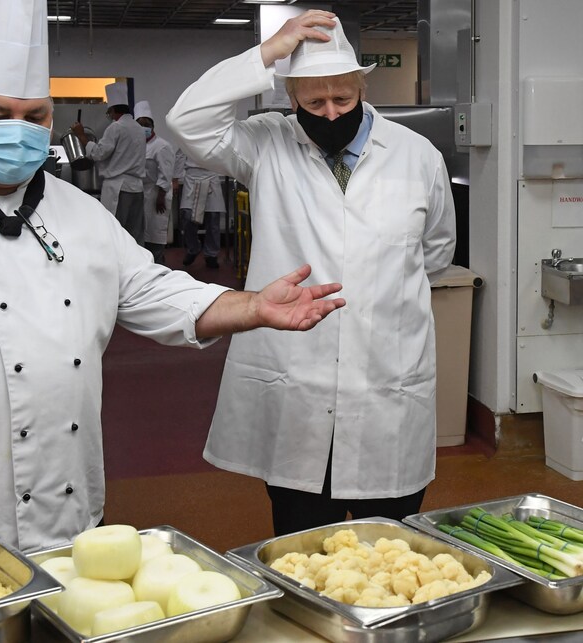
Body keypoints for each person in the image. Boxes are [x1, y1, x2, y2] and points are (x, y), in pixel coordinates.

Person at [0, 0, 345, 553]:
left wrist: (253, 306)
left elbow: (153, 290)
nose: (19, 130)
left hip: (64, 497)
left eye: (35, 117)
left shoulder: (80, 214)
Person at [167, 10, 456, 536]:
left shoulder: (418, 156)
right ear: (290, 98)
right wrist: (268, 51)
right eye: (312, 102)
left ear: (362, 89)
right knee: (303, 544)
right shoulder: (264, 144)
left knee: (392, 545)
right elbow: (187, 122)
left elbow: (435, 252)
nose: (328, 114)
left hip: (387, 384)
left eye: (342, 100)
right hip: (298, 385)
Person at [71, 83, 146, 245]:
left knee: (117, 231)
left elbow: (98, 153)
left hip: (119, 188)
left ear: (112, 110)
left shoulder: (116, 128)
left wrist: (81, 135)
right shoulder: (138, 128)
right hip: (137, 188)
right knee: (135, 233)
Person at [134, 100, 175, 264]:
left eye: (147, 124)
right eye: (140, 124)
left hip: (157, 195)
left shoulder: (162, 146)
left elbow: (165, 174)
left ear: (153, 126)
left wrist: (161, 196)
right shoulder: (137, 145)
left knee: (155, 235)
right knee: (144, 236)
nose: (144, 127)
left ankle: (159, 269)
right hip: (143, 194)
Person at [174, 149, 226, 269]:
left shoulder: (214, 134)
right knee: (187, 216)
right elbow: (180, 155)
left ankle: (211, 254)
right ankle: (193, 248)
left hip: (211, 175)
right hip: (192, 176)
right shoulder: (187, 134)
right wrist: (175, 179)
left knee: (213, 218)